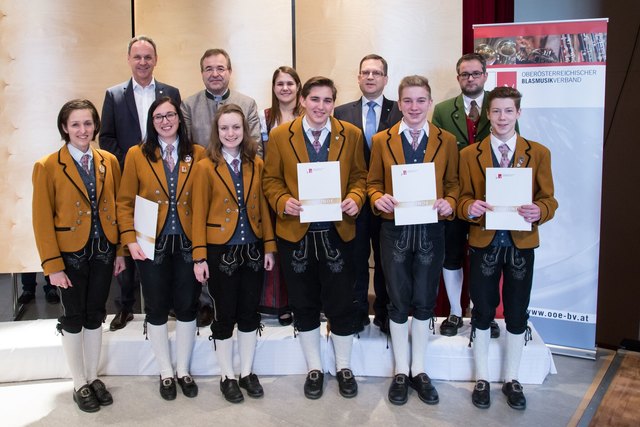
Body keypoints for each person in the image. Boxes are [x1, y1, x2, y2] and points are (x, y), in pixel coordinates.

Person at [263, 76, 367, 400]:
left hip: (338, 232)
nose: (321, 106)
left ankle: (344, 366)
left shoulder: (350, 134)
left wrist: (356, 197)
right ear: (303, 100)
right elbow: (270, 180)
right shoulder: (281, 135)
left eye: (327, 100)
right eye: (315, 99)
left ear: (333, 103)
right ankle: (314, 368)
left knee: (341, 302)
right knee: (304, 303)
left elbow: (361, 177)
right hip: (296, 234)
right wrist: (282, 201)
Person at [457, 86, 557, 410]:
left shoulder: (538, 152)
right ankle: (482, 377)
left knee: (517, 311)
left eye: (508, 111)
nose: (502, 117)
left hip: (521, 243)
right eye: (496, 111)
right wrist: (469, 207)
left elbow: (549, 199)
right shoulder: (469, 155)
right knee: (482, 310)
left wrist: (539, 210)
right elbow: (461, 199)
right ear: (488, 114)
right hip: (484, 242)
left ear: (518, 113)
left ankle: (512, 378)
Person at [367, 75, 459, 406]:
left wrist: (450, 201)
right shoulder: (382, 140)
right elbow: (372, 182)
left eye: (421, 100)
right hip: (395, 229)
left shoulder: (446, 140)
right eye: (408, 100)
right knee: (397, 298)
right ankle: (400, 371)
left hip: (431, 229)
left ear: (430, 103)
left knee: (424, 299)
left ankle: (419, 369)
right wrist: (378, 197)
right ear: (400, 102)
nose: (414, 107)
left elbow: (454, 184)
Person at [32, 99, 125, 412]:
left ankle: (92, 375)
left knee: (95, 313)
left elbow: (117, 207)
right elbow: (41, 219)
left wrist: (121, 251)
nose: (83, 130)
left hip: (102, 251)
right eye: (75, 124)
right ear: (64, 128)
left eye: (88, 123)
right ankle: (78, 383)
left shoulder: (108, 161)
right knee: (73, 316)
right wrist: (52, 266)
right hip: (69, 256)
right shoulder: (47, 166)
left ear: (95, 126)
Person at [116, 97, 205, 401]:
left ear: (180, 119)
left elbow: (204, 202)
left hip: (188, 242)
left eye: (170, 115)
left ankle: (183, 370)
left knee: (186, 305)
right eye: (158, 117)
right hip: (150, 244)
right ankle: (165, 371)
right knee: (155, 307)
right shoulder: (136, 155)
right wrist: (129, 239)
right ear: (151, 123)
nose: (165, 121)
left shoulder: (198, 154)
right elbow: (125, 201)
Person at [192, 104, 276, 403]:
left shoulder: (257, 163)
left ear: (245, 130)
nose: (231, 133)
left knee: (249, 312)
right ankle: (227, 374)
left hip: (252, 249)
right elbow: (197, 212)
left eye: (236, 127)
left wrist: (268, 246)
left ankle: (247, 372)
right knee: (225, 313)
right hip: (219, 251)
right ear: (217, 132)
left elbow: (265, 208)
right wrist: (199, 256)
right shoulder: (204, 166)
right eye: (225, 128)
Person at [100, 35, 182, 331]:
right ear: (129, 59)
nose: (143, 62)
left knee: (163, 244)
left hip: (167, 182)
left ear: (156, 59)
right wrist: (136, 163)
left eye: (148, 57)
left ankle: (168, 304)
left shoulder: (170, 92)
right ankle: (125, 306)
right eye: (138, 57)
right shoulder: (115, 94)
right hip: (129, 181)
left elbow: (178, 133)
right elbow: (106, 138)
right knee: (130, 240)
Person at [432, 53, 500, 338]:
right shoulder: (443, 109)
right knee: (452, 255)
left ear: (485, 75)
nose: (470, 78)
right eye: (464, 74)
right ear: (458, 78)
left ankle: (481, 311)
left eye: (475, 73)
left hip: (489, 195)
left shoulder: (499, 107)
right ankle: (456, 312)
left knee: (487, 255)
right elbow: (435, 153)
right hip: (455, 194)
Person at [334, 54, 403, 333]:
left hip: (391, 201)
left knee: (388, 262)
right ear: (358, 77)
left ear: (386, 79)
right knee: (356, 259)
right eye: (366, 72)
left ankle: (386, 314)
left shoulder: (402, 110)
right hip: (355, 201)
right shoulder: (341, 112)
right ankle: (358, 312)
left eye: (376, 72)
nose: (371, 77)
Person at [258, 66, 303, 326]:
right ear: (274, 89)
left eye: (290, 83)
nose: (285, 88)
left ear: (298, 87)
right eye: (280, 84)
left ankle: (303, 303)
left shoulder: (310, 115)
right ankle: (280, 304)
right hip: (273, 193)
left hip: (303, 193)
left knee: (301, 250)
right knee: (276, 249)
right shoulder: (264, 117)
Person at [181, 48, 261, 154]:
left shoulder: (247, 104)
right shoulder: (188, 106)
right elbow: (185, 148)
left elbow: (255, 148)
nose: (214, 74)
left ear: (230, 71)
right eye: (209, 69)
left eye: (220, 69)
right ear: (202, 73)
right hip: (201, 168)